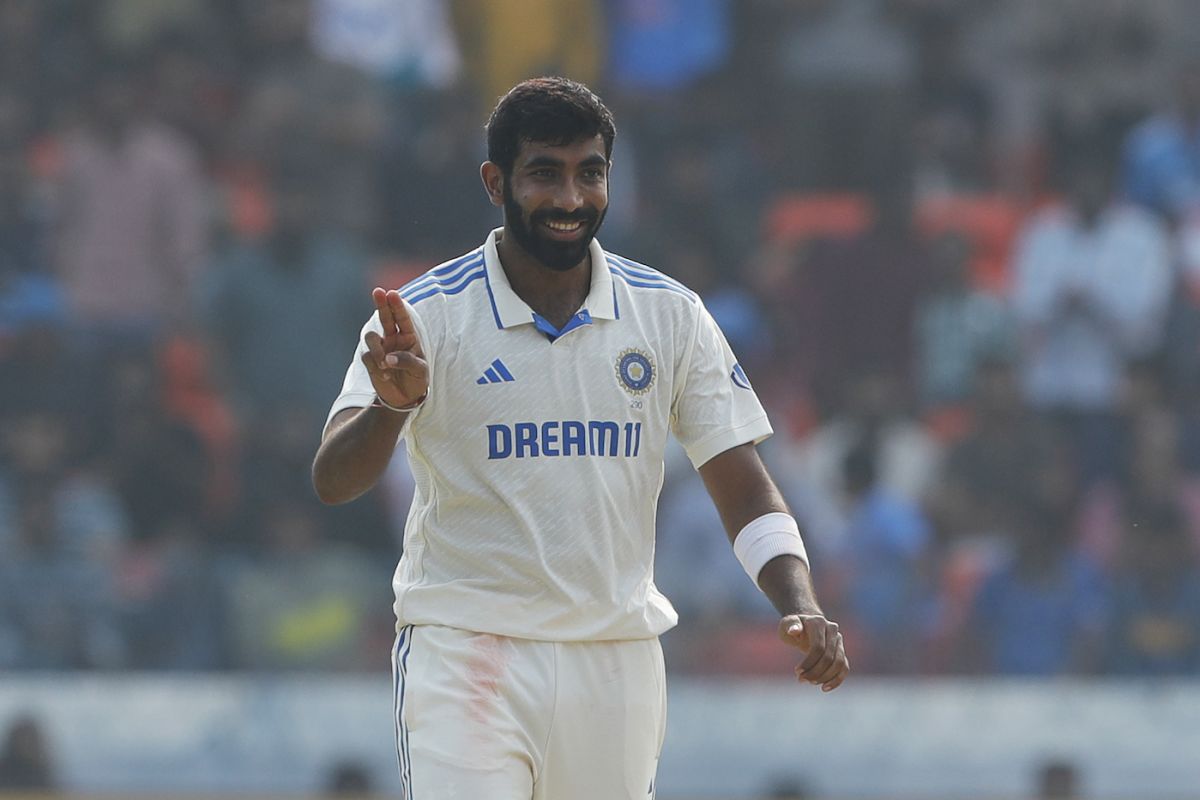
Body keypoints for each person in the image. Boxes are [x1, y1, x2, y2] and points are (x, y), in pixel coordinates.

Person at [312, 77, 848, 799]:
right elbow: (334, 480)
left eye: (588, 174)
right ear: (494, 181)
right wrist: (390, 408)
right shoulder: (421, 318)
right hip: (468, 651)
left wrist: (799, 600)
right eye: (544, 174)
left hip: (614, 658)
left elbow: (741, 482)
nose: (569, 200)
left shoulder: (669, 316)